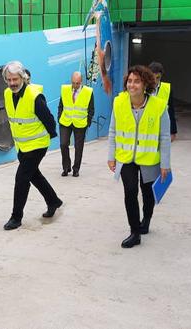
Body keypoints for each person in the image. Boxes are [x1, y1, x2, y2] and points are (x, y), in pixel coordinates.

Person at [107, 65, 171, 248]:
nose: (132, 85)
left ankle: (147, 219)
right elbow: (113, 131)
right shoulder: (119, 103)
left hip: (149, 158)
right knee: (130, 192)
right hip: (126, 157)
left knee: (147, 192)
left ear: (145, 85)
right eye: (129, 81)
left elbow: (165, 137)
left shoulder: (159, 106)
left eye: (137, 81)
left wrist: (165, 163)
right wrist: (111, 156)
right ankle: (134, 232)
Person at [2, 61, 63, 231]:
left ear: (22, 78)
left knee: (22, 178)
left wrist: (51, 135)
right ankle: (53, 201)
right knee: (34, 175)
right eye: (9, 80)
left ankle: (16, 217)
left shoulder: (34, 96)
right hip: (22, 146)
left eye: (15, 79)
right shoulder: (7, 94)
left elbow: (48, 119)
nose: (12, 83)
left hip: (37, 144)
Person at [58, 71, 94, 177]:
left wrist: (87, 122)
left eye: (77, 83)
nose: (75, 85)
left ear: (81, 82)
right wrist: (59, 117)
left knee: (79, 147)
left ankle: (76, 169)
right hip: (65, 121)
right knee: (63, 144)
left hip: (80, 123)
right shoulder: (65, 90)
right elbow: (61, 105)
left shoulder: (88, 92)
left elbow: (91, 109)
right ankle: (66, 167)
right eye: (73, 83)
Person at [148, 62, 177, 142]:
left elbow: (171, 111)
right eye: (152, 78)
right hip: (145, 127)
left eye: (158, 78)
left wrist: (173, 131)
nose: (155, 81)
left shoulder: (167, 89)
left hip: (161, 128)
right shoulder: (141, 87)